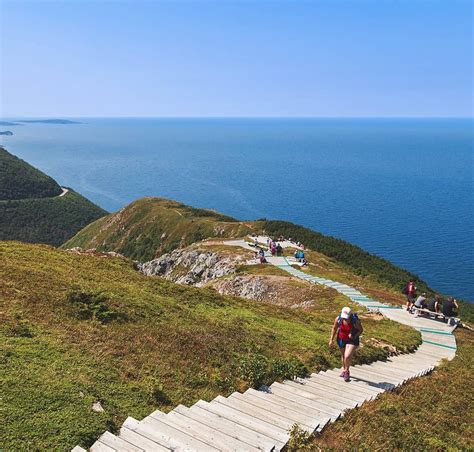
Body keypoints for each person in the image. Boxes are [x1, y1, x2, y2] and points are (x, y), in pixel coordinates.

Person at [329, 307, 363, 382]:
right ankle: (344, 370)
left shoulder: (355, 321)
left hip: (352, 340)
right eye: (344, 317)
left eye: (347, 318)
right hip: (341, 338)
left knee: (347, 355)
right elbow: (334, 328)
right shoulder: (338, 319)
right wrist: (331, 340)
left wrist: (354, 335)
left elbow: (361, 330)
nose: (345, 319)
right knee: (343, 355)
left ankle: (347, 371)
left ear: (350, 316)